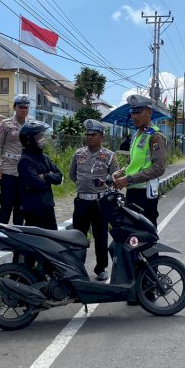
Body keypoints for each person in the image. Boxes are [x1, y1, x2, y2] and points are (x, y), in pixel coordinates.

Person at [70, 120, 119, 281]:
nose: (89, 137)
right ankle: (78, 267)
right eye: (87, 134)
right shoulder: (78, 154)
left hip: (100, 203)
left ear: (101, 137)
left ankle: (101, 268)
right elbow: (72, 175)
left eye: (93, 135)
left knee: (101, 236)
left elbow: (115, 177)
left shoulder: (110, 156)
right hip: (82, 201)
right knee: (78, 237)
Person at [113, 95, 167, 227]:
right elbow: (131, 163)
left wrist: (129, 179)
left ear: (149, 112)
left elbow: (158, 168)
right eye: (132, 112)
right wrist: (120, 173)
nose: (134, 116)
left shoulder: (156, 136)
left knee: (145, 235)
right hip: (132, 191)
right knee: (132, 235)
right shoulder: (137, 135)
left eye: (138, 112)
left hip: (145, 194)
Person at [17, 120, 63, 230]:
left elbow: (59, 177)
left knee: (53, 240)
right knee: (36, 242)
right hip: (33, 210)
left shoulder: (45, 158)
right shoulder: (25, 160)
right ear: (29, 140)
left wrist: (45, 176)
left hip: (48, 207)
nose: (43, 139)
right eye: (39, 136)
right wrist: (49, 178)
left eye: (43, 135)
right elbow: (36, 183)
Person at [0, 94, 31, 225]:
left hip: (24, 171)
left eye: (26, 107)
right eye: (21, 107)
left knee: (20, 208)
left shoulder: (31, 126)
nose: (23, 110)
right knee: (6, 205)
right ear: (15, 107)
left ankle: (17, 239)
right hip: (8, 170)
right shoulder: (6, 124)